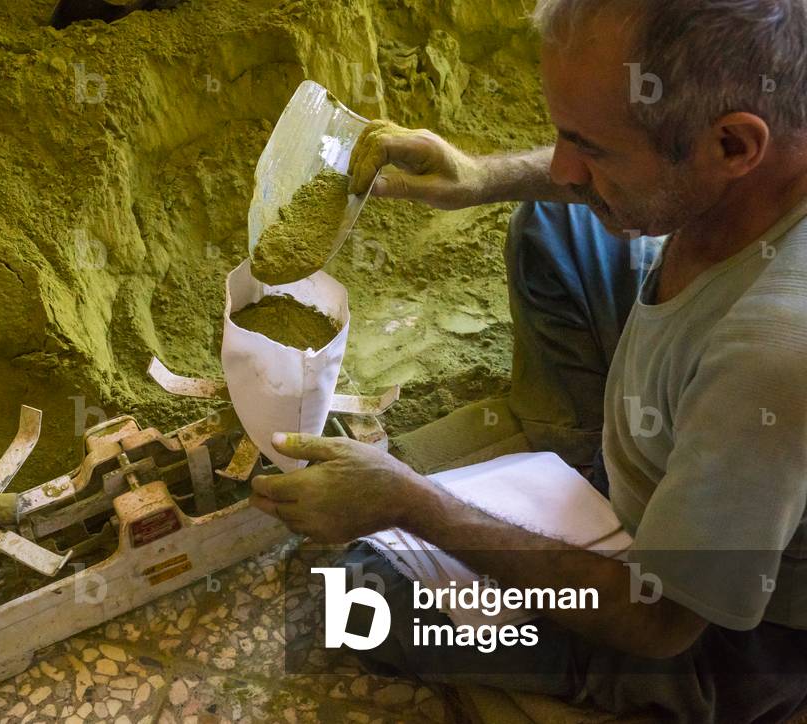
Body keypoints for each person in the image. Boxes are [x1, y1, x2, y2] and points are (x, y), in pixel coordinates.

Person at [249, 1, 807, 721]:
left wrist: (412, 505)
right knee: (553, 221)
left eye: (593, 149)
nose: (563, 166)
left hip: (725, 635)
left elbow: (660, 622)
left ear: (732, 146)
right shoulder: (771, 136)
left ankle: (602, 522)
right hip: (721, 432)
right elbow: (622, 177)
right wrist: (481, 177)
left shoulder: (770, 356)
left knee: (359, 596)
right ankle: (592, 485)